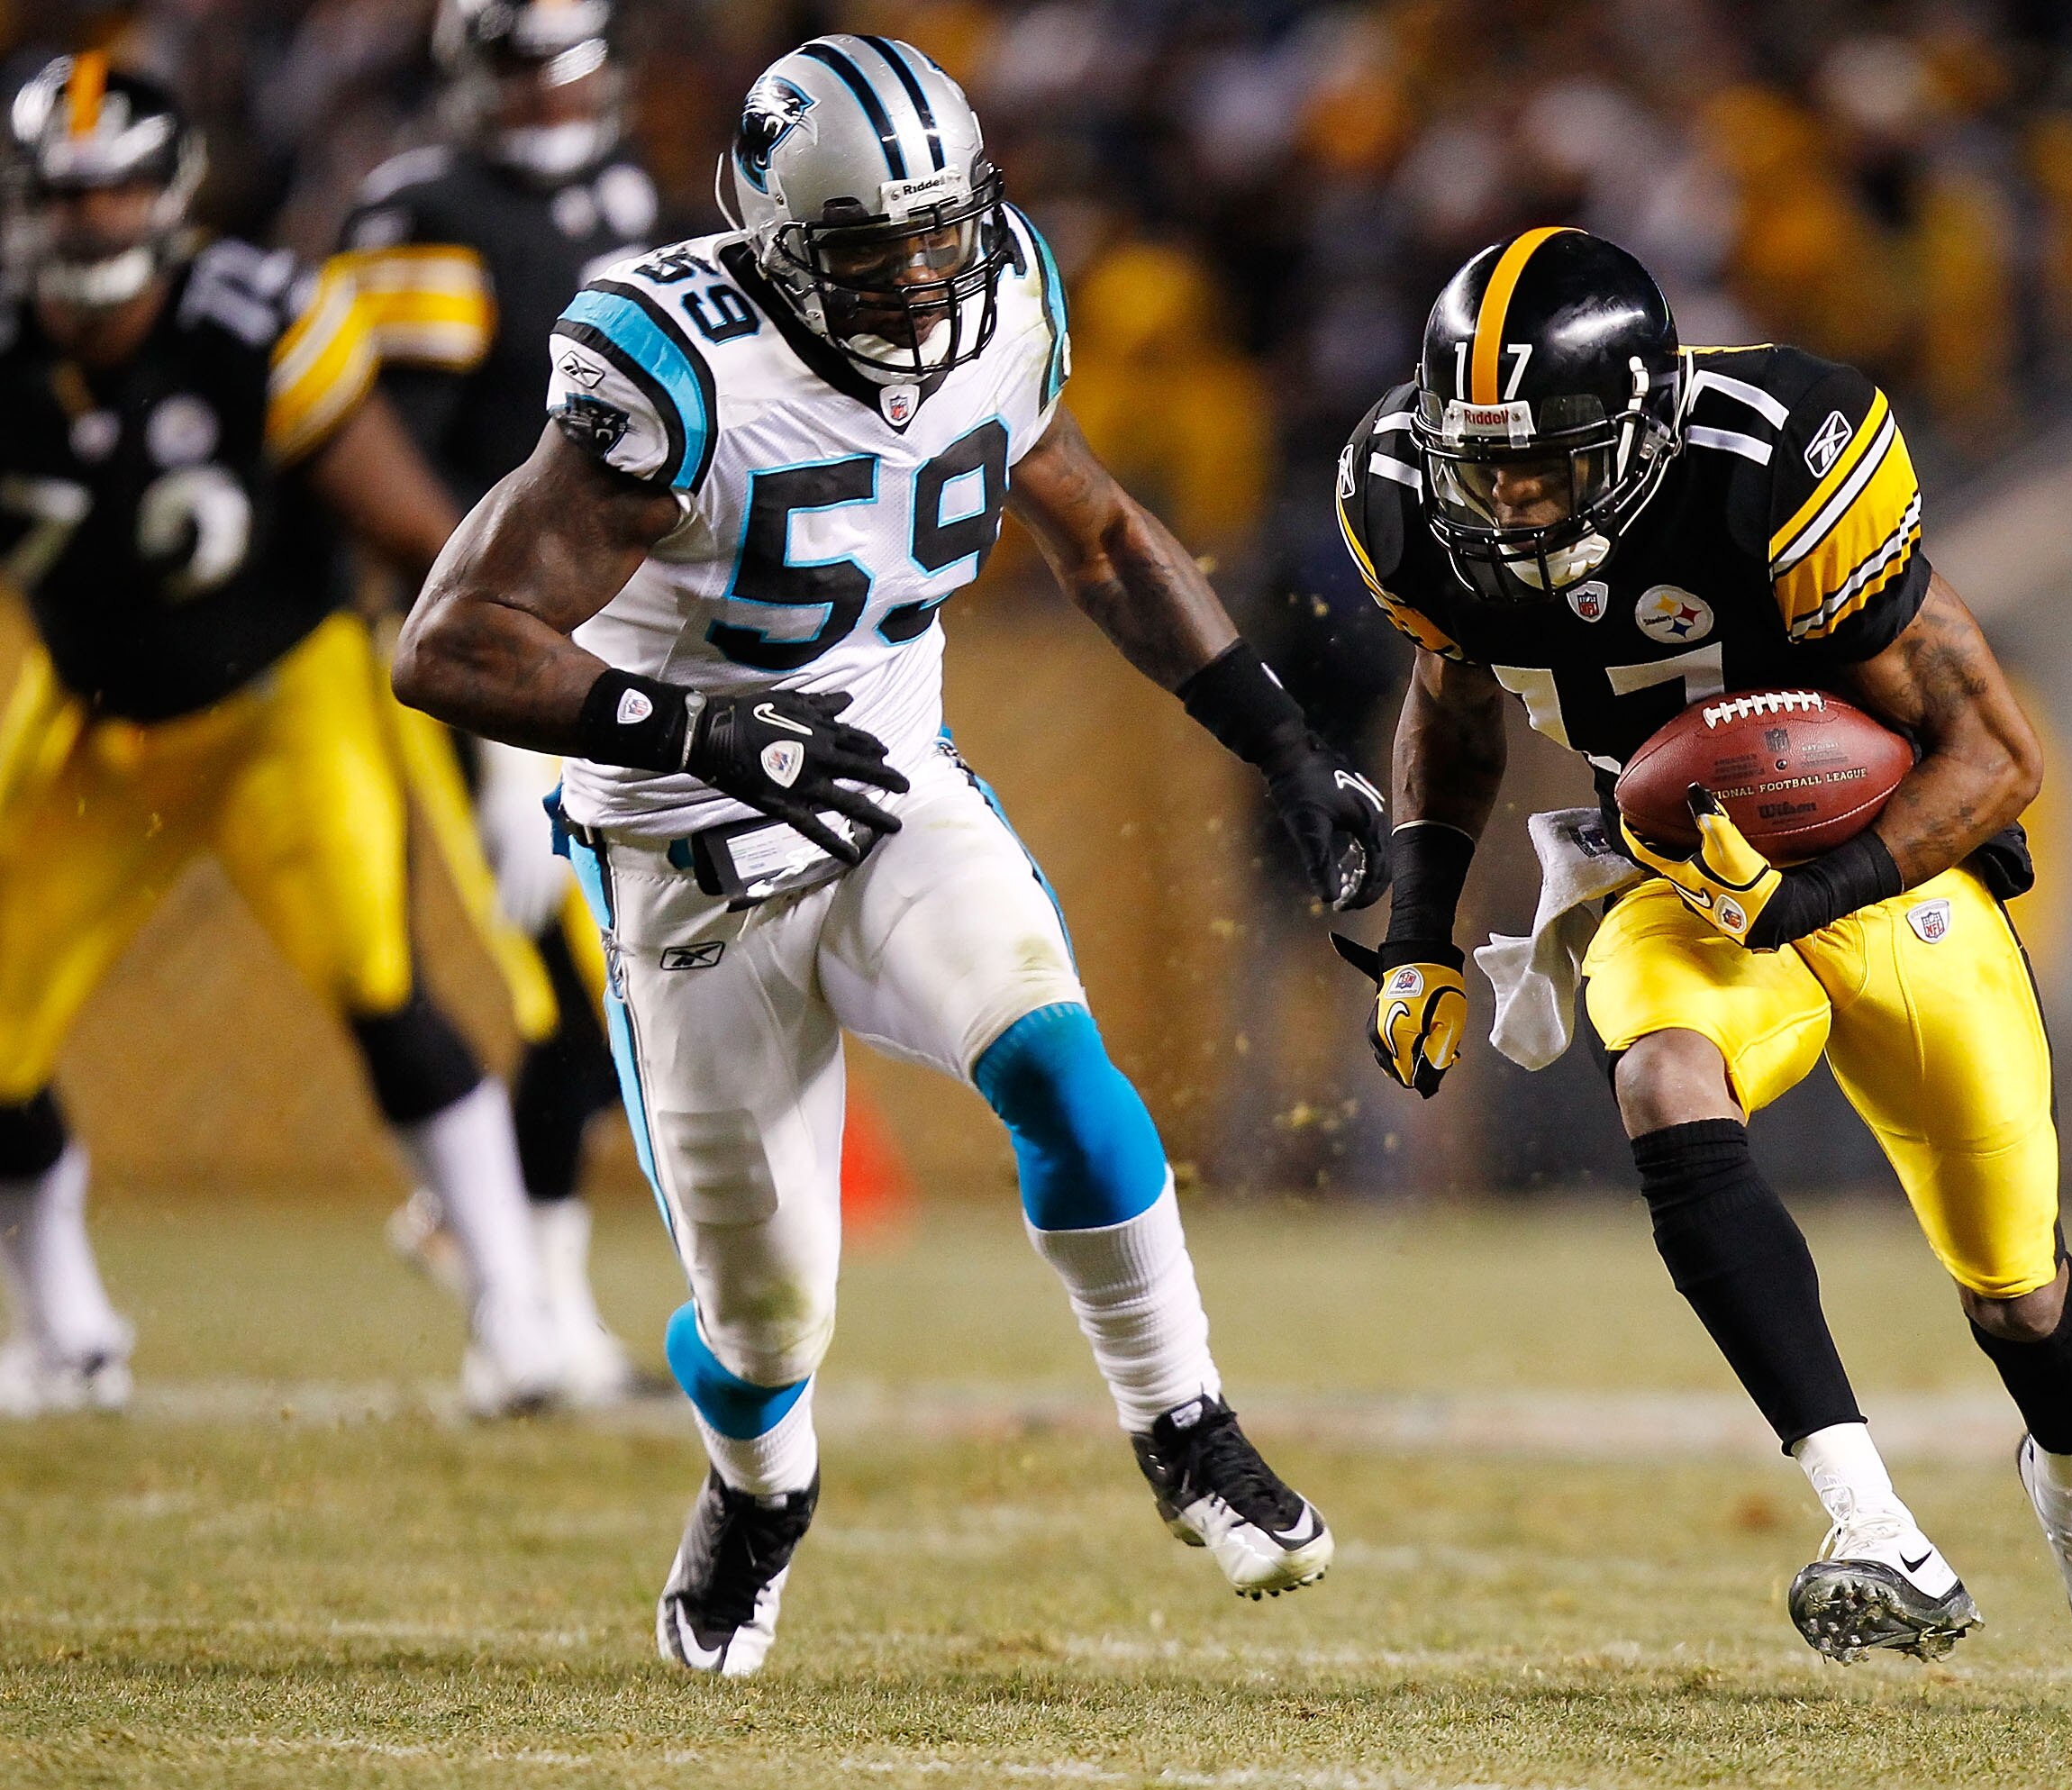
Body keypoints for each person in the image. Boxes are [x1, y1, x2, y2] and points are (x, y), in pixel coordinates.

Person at [393, 36, 1387, 1676]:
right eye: (876, 250)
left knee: (1068, 1081)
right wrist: (706, 732)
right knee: (769, 1321)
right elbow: (453, 641)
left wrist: (1285, 745)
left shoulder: (1004, 300)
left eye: (945, 232)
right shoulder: (680, 368)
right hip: (687, 860)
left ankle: (1187, 1426)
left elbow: (1107, 535)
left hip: (885, 795)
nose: (926, 281)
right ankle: (759, 1486)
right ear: (778, 240)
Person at [1331, 227, 2072, 1704]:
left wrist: (1813, 888)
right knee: (1665, 1080)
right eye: (1484, 464)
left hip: (1886, 877)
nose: (1509, 498)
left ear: (1649, 429)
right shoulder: (1413, 500)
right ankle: (1874, 1526)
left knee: (2017, 1292)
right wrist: (1417, 936)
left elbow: (1998, 757)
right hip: (1683, 884)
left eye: (1546, 461)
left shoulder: (1780, 462)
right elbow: (1453, 703)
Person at [0, 55, 564, 1417]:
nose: (91, 224)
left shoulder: (253, 319)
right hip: (89, 718)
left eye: (119, 189)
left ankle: (518, 1311)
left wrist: (516, 725)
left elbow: (416, 527)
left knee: (378, 982)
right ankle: (65, 1324)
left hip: (279, 704)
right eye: (67, 196)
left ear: (173, 191)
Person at [338, 0, 661, 1402]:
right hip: (487, 655)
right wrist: (493, 701)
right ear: (471, 82)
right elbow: (387, 479)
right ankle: (523, 1326)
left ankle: (527, 1296)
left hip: (613, 639)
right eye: (521, 74)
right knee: (576, 997)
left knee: (629, 998)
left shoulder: (627, 187)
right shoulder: (421, 213)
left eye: (567, 68)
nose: (548, 99)